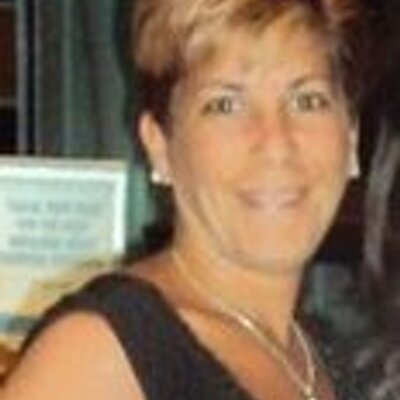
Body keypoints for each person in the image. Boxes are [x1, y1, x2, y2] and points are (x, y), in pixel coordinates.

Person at [1, 0, 362, 399]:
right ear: (159, 146)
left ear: (352, 138)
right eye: (225, 105)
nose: (276, 143)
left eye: (307, 101)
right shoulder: (102, 352)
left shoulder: (324, 361)